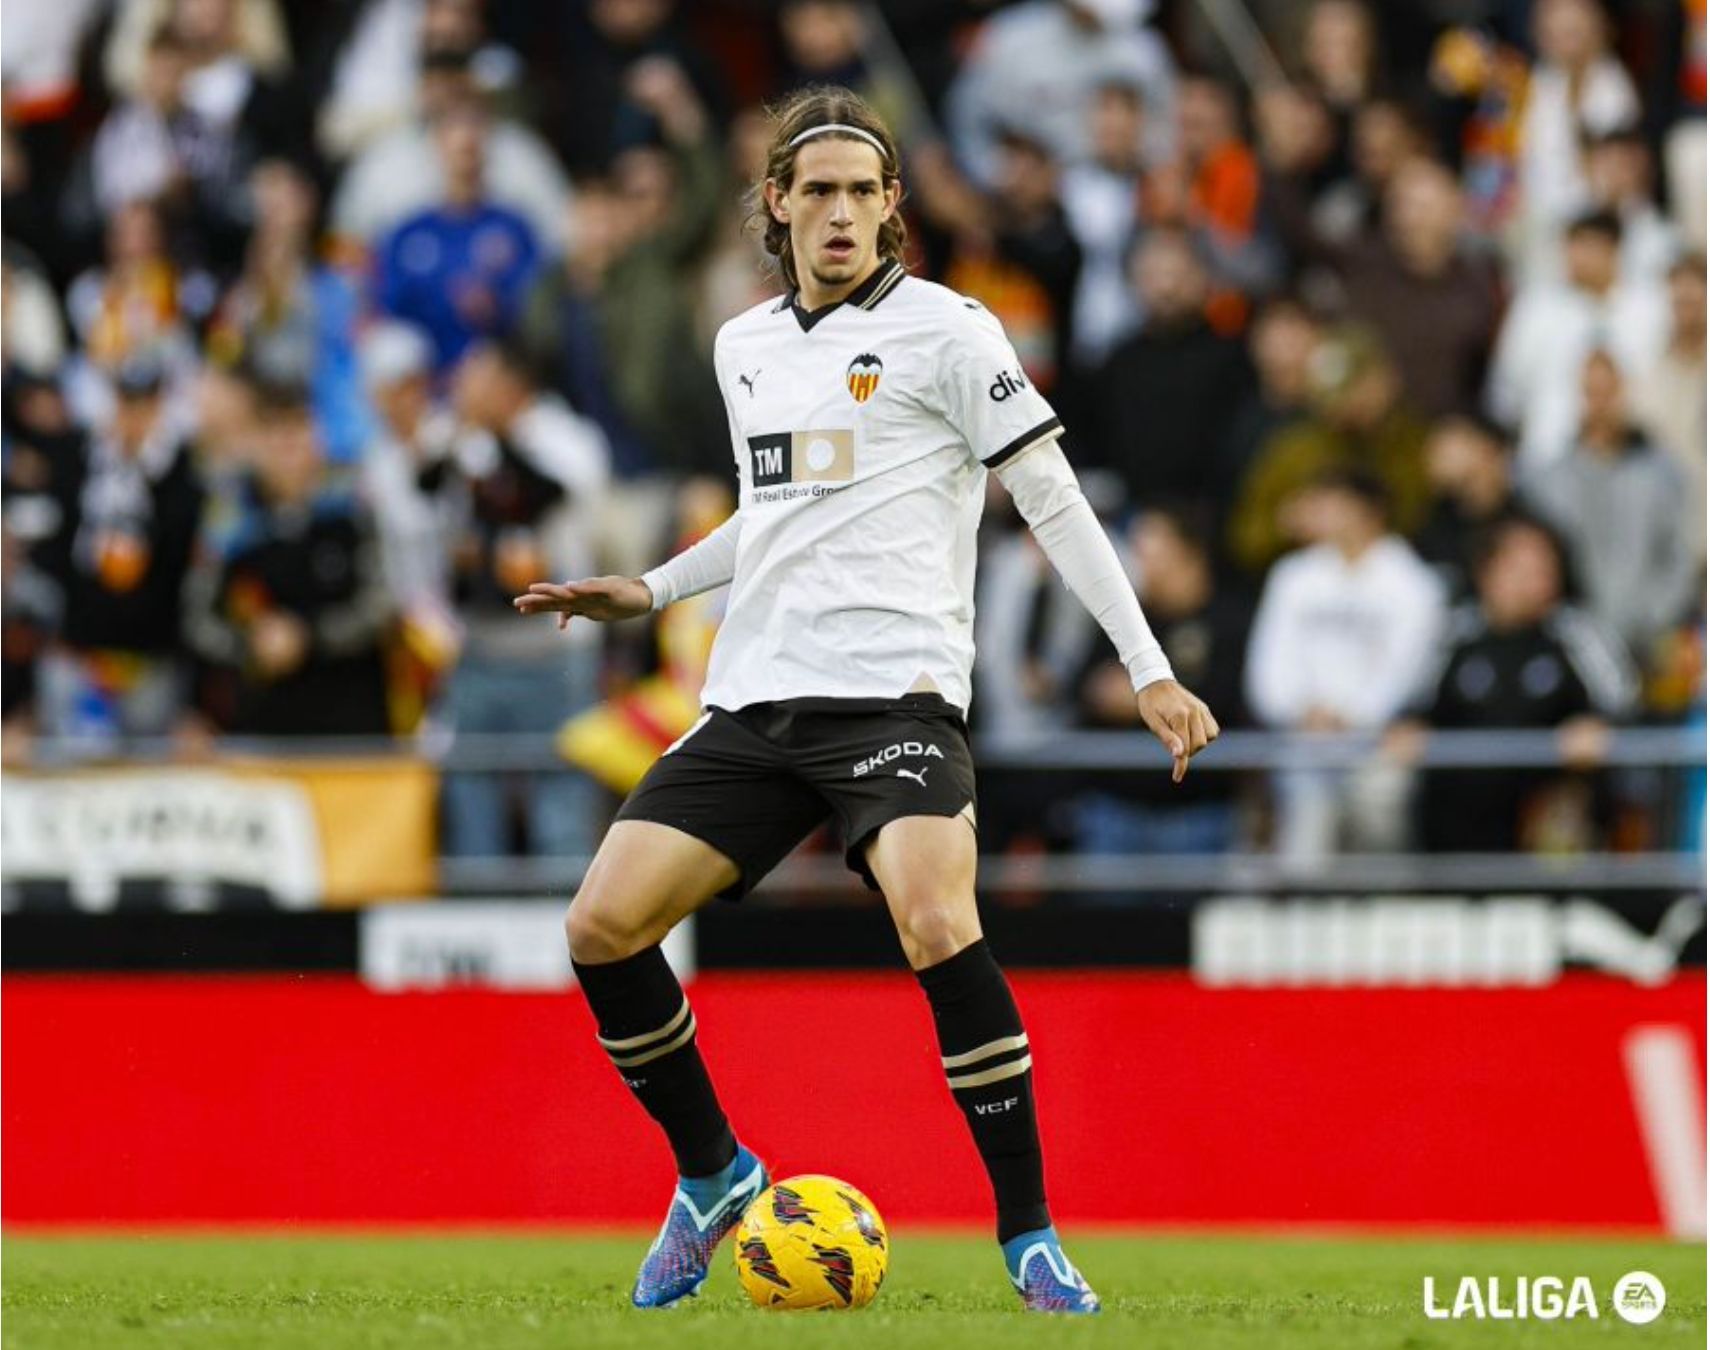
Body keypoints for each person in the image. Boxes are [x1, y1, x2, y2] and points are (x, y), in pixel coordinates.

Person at [513, 86, 1216, 1314]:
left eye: (861, 191)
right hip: (756, 700)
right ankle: (715, 1173)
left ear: (893, 208)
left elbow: (1050, 498)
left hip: (895, 703)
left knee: (937, 919)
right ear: (774, 207)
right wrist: (653, 585)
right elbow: (775, 514)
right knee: (600, 928)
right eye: (816, 191)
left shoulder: (952, 334)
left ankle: (1031, 1236)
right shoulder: (745, 346)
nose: (839, 213)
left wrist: (1148, 667)